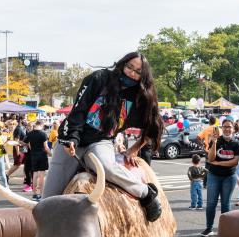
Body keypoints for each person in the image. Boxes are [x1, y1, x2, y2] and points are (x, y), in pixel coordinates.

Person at [44, 52, 164, 222]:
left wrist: (134, 149)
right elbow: (78, 111)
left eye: (138, 72)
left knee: (107, 166)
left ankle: (146, 193)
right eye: (130, 67)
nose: (131, 73)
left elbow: (154, 127)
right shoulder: (99, 78)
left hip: (101, 141)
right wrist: (71, 139)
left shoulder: (140, 97)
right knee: (48, 200)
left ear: (143, 76)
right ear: (122, 63)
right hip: (71, 140)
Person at [202, 118, 239, 237]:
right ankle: (209, 228)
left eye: (229, 127)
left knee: (225, 203)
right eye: (225, 127)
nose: (227, 129)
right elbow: (210, 159)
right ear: (221, 128)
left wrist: (219, 163)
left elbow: (234, 162)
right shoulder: (217, 141)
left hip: (229, 176)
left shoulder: (236, 143)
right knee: (211, 203)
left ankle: (225, 229)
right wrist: (213, 143)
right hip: (214, 175)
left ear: (233, 129)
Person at [25, 120, 52, 201]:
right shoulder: (43, 134)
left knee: (35, 174)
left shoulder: (30, 133)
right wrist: (51, 154)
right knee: (41, 176)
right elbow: (46, 147)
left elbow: (27, 144)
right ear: (41, 125)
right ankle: (40, 194)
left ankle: (34, 194)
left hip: (33, 155)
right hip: (42, 155)